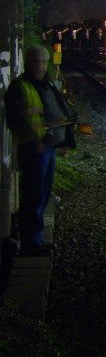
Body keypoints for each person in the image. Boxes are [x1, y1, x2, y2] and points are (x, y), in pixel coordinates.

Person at [5, 44, 76, 256]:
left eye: (44, 62)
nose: (42, 66)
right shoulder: (20, 87)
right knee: (33, 195)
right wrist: (35, 138)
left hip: (47, 147)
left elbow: (56, 111)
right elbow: (16, 117)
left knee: (42, 194)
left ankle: (35, 238)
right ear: (28, 63)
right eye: (37, 62)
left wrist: (63, 141)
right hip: (33, 148)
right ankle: (31, 242)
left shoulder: (46, 85)